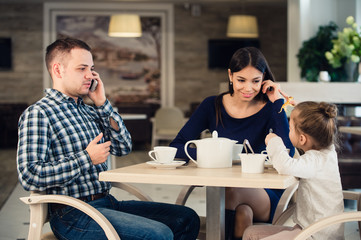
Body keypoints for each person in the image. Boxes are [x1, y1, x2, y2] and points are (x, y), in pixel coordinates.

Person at [17, 37, 200, 240]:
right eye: (81, 68)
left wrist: (103, 103)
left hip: (107, 203)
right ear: (58, 70)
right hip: (72, 214)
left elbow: (123, 147)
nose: (90, 75)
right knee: (158, 234)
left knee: (186, 218)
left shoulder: (89, 110)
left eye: (92, 68)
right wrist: (87, 158)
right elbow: (29, 175)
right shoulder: (39, 113)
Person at [170, 47, 295, 239]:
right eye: (241, 80)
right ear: (230, 75)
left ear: (264, 79)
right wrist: (213, 158)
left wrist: (277, 101)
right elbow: (176, 147)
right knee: (243, 213)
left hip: (265, 193)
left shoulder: (270, 108)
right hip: (229, 194)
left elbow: (287, 151)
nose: (248, 88)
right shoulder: (211, 106)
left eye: (256, 81)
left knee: (231, 189)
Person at [243, 101, 344, 240]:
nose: (288, 131)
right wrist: (301, 110)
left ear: (302, 139)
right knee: (250, 233)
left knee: (251, 235)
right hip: (310, 229)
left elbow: (285, 165)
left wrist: (274, 141)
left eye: (290, 129)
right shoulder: (328, 152)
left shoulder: (314, 161)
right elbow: (315, 124)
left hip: (315, 235)